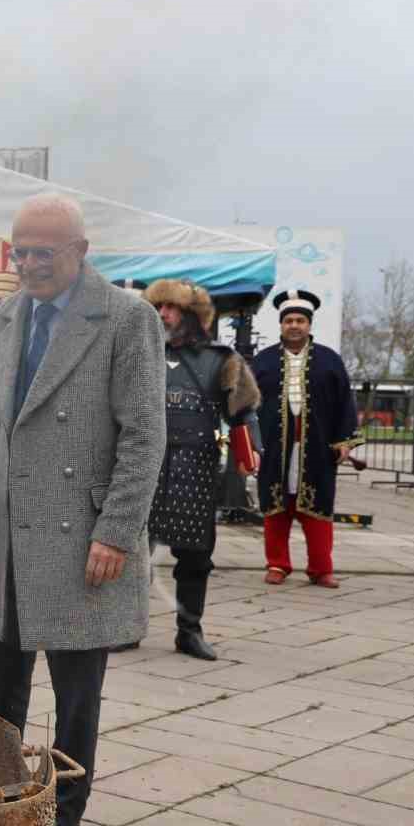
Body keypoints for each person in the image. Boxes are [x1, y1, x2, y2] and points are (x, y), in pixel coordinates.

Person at [0, 193, 165, 826]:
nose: (32, 264)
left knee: (77, 696)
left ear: (81, 251)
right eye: (23, 252)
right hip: (12, 537)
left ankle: (64, 814)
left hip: (83, 539)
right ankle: (3, 795)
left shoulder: (127, 318)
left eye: (46, 252)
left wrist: (116, 531)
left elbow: (144, 436)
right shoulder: (8, 314)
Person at [118, 279, 260, 661]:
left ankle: (189, 631)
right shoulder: (134, 351)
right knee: (130, 552)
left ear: (193, 316)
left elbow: (244, 409)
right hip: (140, 465)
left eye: (172, 308)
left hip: (194, 468)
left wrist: (253, 449)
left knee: (195, 557)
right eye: (158, 307)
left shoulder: (221, 359)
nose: (163, 314)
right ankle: (125, 627)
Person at [253, 289, 362, 588]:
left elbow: (345, 404)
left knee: (318, 510)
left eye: (300, 320)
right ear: (281, 324)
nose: (294, 325)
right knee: (275, 508)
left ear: (309, 324)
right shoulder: (262, 362)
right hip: (275, 447)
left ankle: (321, 569)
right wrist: (250, 444)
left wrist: (345, 440)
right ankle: (277, 564)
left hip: (317, 446)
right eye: (289, 320)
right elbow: (248, 406)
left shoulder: (330, 361)